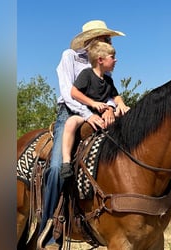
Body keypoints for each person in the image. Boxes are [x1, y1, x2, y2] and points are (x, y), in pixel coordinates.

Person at [37, 20, 125, 249]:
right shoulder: (69, 56)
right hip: (71, 114)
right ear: (93, 40)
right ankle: (47, 227)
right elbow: (68, 93)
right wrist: (88, 114)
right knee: (57, 166)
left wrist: (110, 110)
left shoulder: (102, 66)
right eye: (106, 38)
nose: (109, 41)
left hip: (98, 113)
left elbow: (108, 95)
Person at [60, 41, 130, 179]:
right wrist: (92, 103)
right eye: (112, 57)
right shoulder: (87, 74)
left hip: (101, 113)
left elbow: (115, 96)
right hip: (85, 112)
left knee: (126, 115)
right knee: (70, 123)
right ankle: (66, 162)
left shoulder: (108, 80)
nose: (115, 60)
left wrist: (121, 104)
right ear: (100, 60)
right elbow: (74, 92)